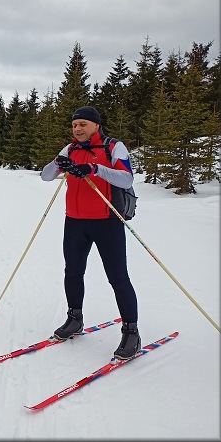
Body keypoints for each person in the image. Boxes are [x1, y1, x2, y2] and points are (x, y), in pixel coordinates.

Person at [40, 106, 140, 360]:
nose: (78, 129)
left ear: (96, 125)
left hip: (107, 221)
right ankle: (74, 318)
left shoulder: (113, 147)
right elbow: (46, 176)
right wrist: (57, 163)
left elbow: (126, 179)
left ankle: (131, 333)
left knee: (117, 277)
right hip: (74, 221)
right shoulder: (70, 149)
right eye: (75, 125)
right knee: (72, 272)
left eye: (83, 124)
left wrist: (94, 169)